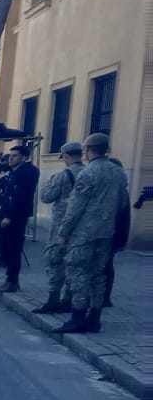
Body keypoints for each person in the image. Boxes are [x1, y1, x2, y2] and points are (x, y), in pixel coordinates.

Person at [52, 134, 131, 333]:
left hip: (84, 234)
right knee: (99, 274)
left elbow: (75, 207)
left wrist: (63, 233)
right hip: (107, 232)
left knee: (78, 272)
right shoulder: (119, 173)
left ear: (89, 150)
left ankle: (78, 316)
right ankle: (95, 317)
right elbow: (123, 204)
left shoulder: (88, 173)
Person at [31, 142, 85, 315]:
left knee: (55, 262)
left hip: (60, 226)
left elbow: (46, 197)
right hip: (81, 227)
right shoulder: (89, 172)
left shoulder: (63, 175)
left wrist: (48, 184)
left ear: (67, 156)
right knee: (74, 263)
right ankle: (68, 299)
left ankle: (53, 299)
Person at [0, 146, 39, 292]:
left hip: (16, 215)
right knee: (9, 246)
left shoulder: (26, 172)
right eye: (10, 155)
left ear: (24, 157)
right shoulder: (16, 171)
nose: (10, 158)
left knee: (14, 248)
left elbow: (19, 197)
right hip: (10, 212)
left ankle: (12, 281)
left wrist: (8, 216)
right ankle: (10, 279)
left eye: (15, 156)